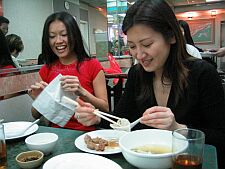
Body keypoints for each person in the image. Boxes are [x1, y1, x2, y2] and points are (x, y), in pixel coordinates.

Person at [75, 0, 225, 168]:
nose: (139, 55)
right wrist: (96, 118)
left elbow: (220, 136)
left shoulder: (203, 74)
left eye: (147, 44)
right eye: (132, 46)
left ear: (171, 36)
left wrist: (178, 128)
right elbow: (121, 121)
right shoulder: (137, 75)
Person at [29, 12, 109, 131]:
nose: (58, 41)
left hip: (86, 133)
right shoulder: (46, 70)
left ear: (74, 36)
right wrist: (40, 99)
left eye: (64, 34)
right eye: (52, 36)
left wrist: (82, 92)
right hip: (56, 134)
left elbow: (105, 108)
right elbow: (35, 115)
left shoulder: (93, 65)